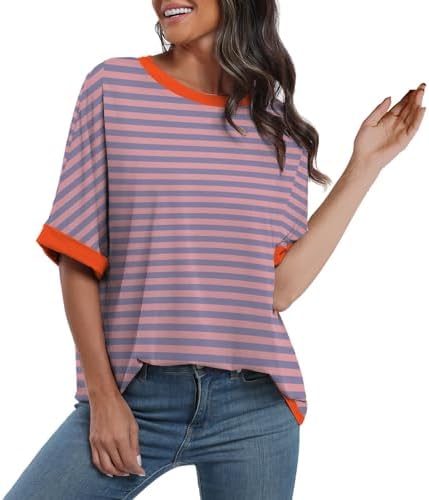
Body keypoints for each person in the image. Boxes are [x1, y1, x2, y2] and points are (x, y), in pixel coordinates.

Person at [4, 0, 425, 498]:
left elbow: (280, 289)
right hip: (135, 395)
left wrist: (365, 165)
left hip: (254, 409)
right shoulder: (113, 87)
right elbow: (78, 252)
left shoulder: (279, 130)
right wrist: (102, 396)